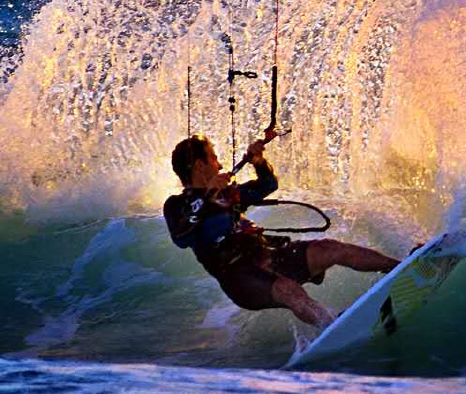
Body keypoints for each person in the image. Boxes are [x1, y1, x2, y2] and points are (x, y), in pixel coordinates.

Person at [163, 134, 400, 328]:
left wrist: (258, 161)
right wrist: (207, 195)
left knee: (329, 249)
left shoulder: (228, 194)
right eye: (214, 158)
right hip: (239, 278)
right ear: (199, 165)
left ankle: (401, 266)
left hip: (269, 257)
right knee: (288, 289)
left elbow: (268, 185)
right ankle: (334, 326)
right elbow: (182, 237)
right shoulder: (176, 205)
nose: (221, 164)